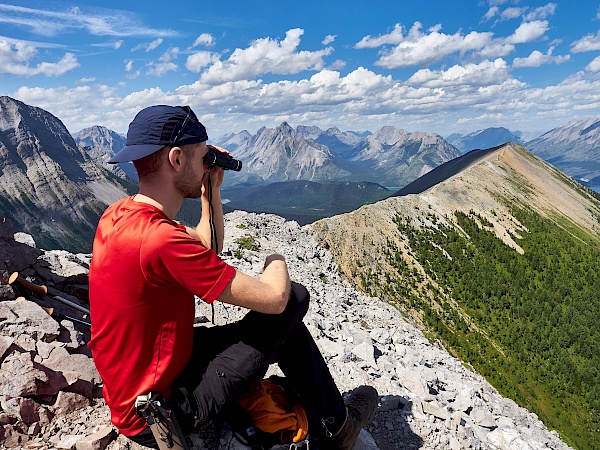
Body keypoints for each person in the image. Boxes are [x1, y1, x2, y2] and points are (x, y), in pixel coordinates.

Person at [87, 105, 378, 450]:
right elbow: (276, 299)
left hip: (144, 381)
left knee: (283, 326)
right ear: (177, 159)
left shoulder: (121, 215)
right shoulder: (159, 240)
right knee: (292, 301)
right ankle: (337, 428)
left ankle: (328, 414)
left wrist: (211, 188)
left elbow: (206, 249)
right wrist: (276, 257)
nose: (207, 163)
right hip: (162, 409)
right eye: (202, 156)